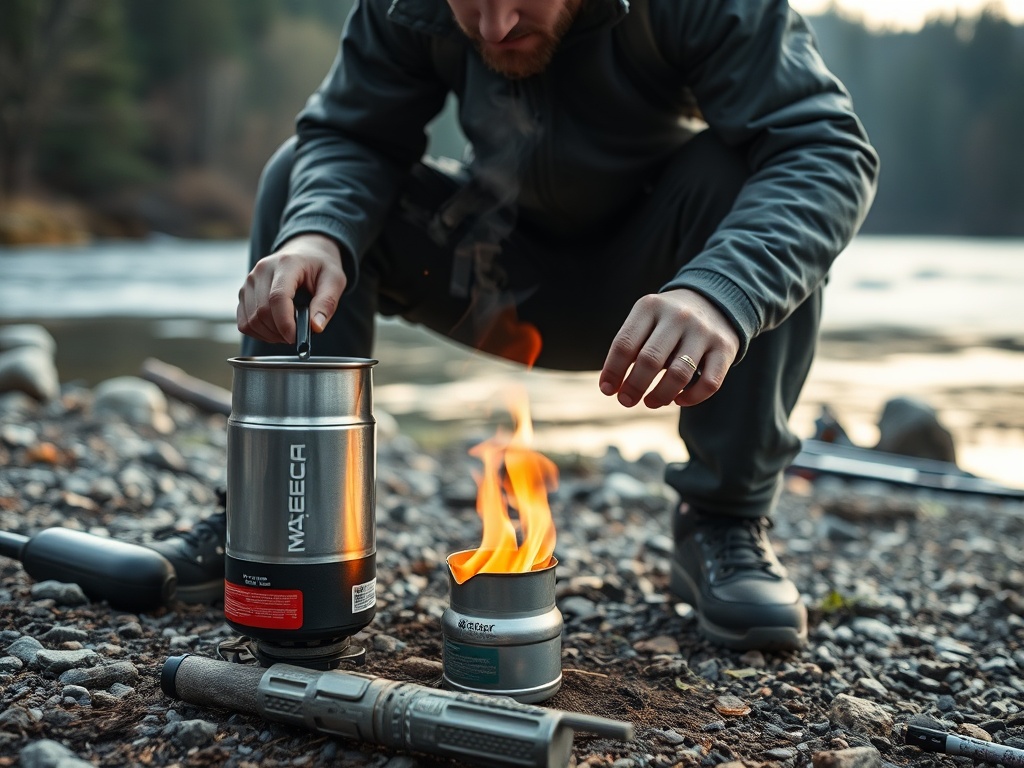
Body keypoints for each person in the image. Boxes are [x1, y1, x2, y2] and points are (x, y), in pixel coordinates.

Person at [150, 0, 878, 650]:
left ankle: (724, 522)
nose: (495, 25)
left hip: (659, 298)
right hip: (489, 274)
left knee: (753, 180)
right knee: (298, 189)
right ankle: (277, 527)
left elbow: (825, 151)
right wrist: (314, 235)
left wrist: (720, 293)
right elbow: (353, 134)